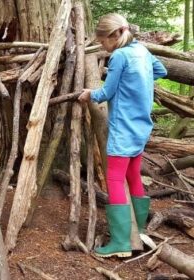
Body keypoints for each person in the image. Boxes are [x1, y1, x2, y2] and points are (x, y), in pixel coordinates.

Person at [78, 13, 167, 258]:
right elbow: (162, 70)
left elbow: (106, 92)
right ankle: (137, 229)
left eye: (104, 42)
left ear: (114, 36)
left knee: (114, 178)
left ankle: (121, 242)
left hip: (123, 127)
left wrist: (89, 94)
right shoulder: (142, 51)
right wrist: (139, 82)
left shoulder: (119, 56)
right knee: (132, 174)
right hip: (141, 127)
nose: (104, 48)